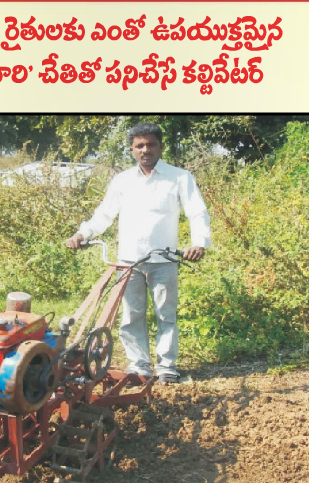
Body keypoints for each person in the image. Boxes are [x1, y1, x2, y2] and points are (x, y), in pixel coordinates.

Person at [65, 122, 211, 384]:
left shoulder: (179, 177)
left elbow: (196, 211)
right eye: (140, 146)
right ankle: (139, 366)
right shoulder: (123, 181)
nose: (146, 150)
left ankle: (166, 367)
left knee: (166, 315)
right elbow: (104, 214)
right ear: (132, 150)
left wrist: (198, 242)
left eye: (151, 144)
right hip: (128, 261)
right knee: (131, 316)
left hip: (164, 259)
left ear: (160, 147)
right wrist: (82, 234)